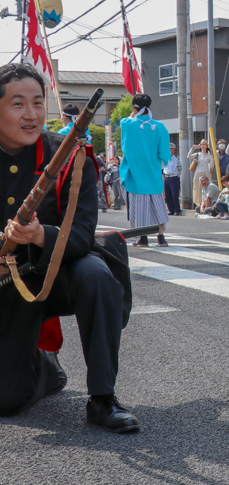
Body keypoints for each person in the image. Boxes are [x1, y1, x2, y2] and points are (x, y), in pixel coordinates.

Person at [0, 63, 139, 432]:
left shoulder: (70, 156)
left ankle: (103, 398)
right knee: (7, 402)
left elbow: (80, 235)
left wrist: (39, 234)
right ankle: (45, 367)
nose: (31, 115)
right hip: (6, 284)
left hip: (58, 273)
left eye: (37, 103)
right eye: (18, 104)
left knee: (97, 274)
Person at [119, 93, 170, 247]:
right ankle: (161, 237)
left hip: (135, 173)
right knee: (158, 206)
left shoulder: (127, 124)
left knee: (139, 208)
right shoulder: (159, 127)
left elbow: (125, 143)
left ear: (134, 108)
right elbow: (165, 154)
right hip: (153, 172)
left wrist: (134, 112)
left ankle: (143, 238)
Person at [188, 139, 215, 210]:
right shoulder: (198, 154)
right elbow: (189, 156)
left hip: (206, 172)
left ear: (206, 146)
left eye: (204, 144)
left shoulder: (209, 156)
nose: (203, 146)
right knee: (198, 188)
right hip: (198, 172)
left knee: (207, 188)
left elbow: (212, 166)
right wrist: (192, 149)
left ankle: (207, 203)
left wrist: (212, 160)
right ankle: (199, 203)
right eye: (201, 144)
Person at [162, 142, 181, 215]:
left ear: (174, 150)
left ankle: (177, 210)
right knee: (167, 195)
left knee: (175, 195)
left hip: (174, 177)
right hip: (166, 177)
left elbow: (180, 169)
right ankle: (171, 210)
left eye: (171, 149)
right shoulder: (164, 159)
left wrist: (177, 176)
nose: (170, 151)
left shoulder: (176, 159)